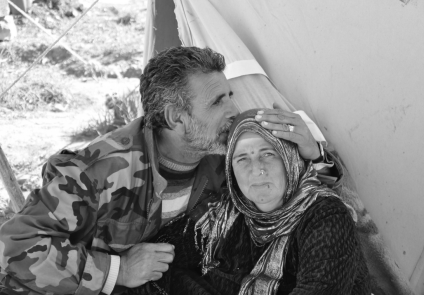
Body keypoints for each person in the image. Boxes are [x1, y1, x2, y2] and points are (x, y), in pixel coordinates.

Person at [0, 47, 337, 295]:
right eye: (218, 101)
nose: (234, 110)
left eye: (229, 95)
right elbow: (12, 249)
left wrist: (315, 153)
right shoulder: (96, 173)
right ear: (176, 117)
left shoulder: (224, 151)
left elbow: (294, 198)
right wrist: (116, 270)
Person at [126, 109, 371, 295]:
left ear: (290, 159)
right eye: (242, 158)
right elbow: (161, 258)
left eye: (269, 154)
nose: (257, 170)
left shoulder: (325, 216)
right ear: (231, 171)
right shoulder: (225, 212)